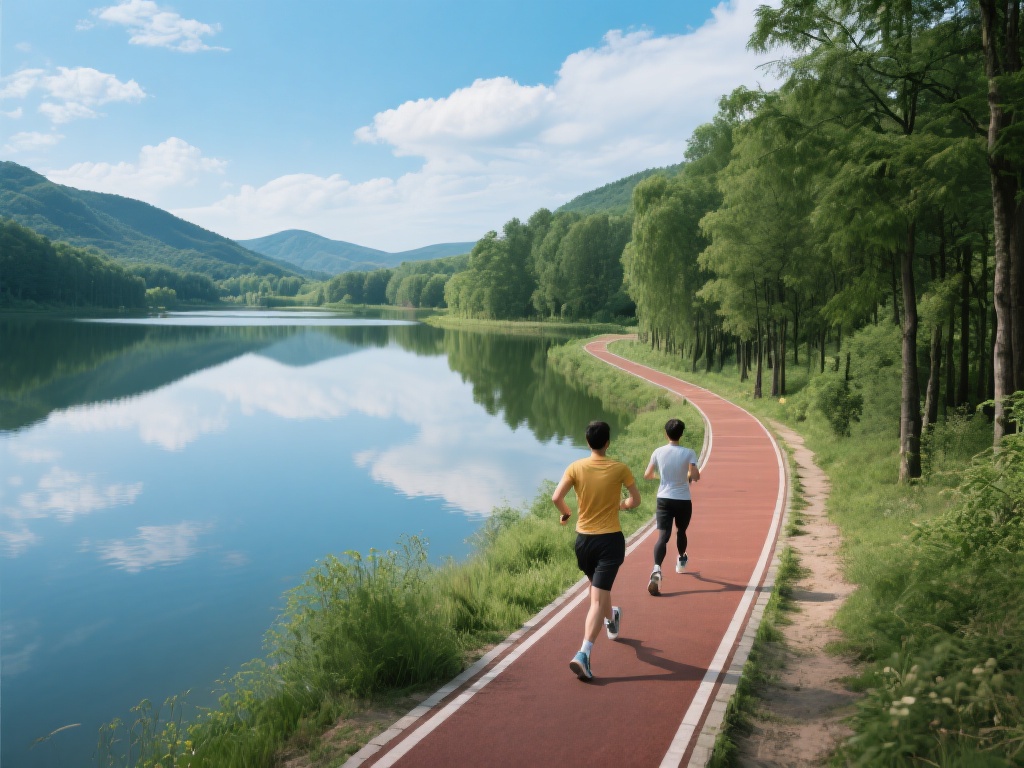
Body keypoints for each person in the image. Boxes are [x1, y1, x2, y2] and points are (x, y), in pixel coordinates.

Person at [552, 421, 641, 681]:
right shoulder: (619, 468)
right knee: (595, 598)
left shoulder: (575, 467)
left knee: (599, 591)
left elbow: (556, 498)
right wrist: (620, 505)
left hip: (583, 543)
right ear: (608, 442)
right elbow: (635, 500)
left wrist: (566, 514)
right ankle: (584, 653)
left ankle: (612, 618)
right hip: (609, 542)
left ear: (587, 441)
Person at [644, 418, 700, 596]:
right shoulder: (689, 452)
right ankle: (682, 560)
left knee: (663, 536)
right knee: (681, 531)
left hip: (663, 499)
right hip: (683, 499)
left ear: (665, 433)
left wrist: (661, 478)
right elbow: (696, 476)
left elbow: (647, 474)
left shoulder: (658, 452)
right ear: (681, 434)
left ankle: (656, 569)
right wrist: (689, 474)